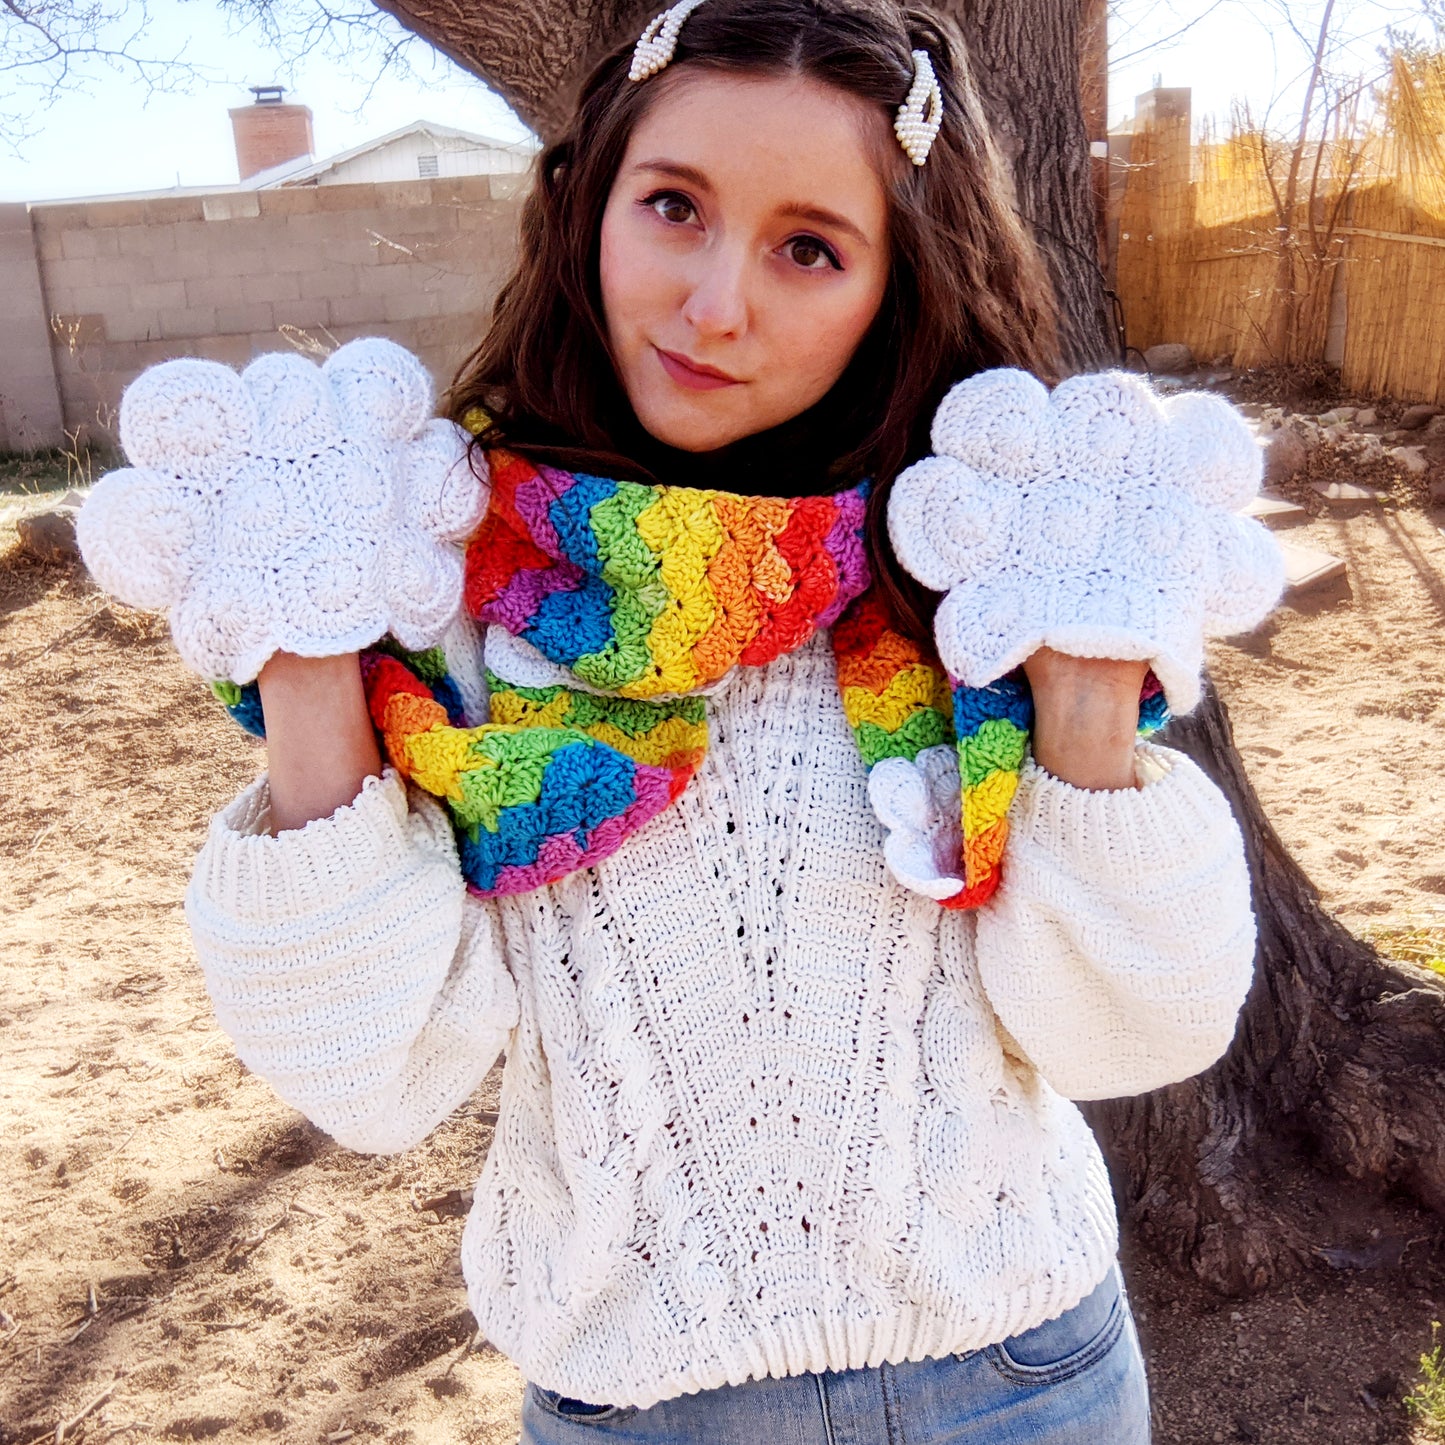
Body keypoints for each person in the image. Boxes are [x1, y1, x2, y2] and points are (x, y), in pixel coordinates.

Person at [96, 0, 1267, 1439]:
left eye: (808, 248)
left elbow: (1131, 1031)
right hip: (638, 1406)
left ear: (893, 286)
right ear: (593, 205)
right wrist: (305, 662)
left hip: (1016, 1380)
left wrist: (1083, 691)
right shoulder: (440, 589)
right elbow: (376, 1070)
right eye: (674, 207)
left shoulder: (974, 574)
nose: (718, 301)